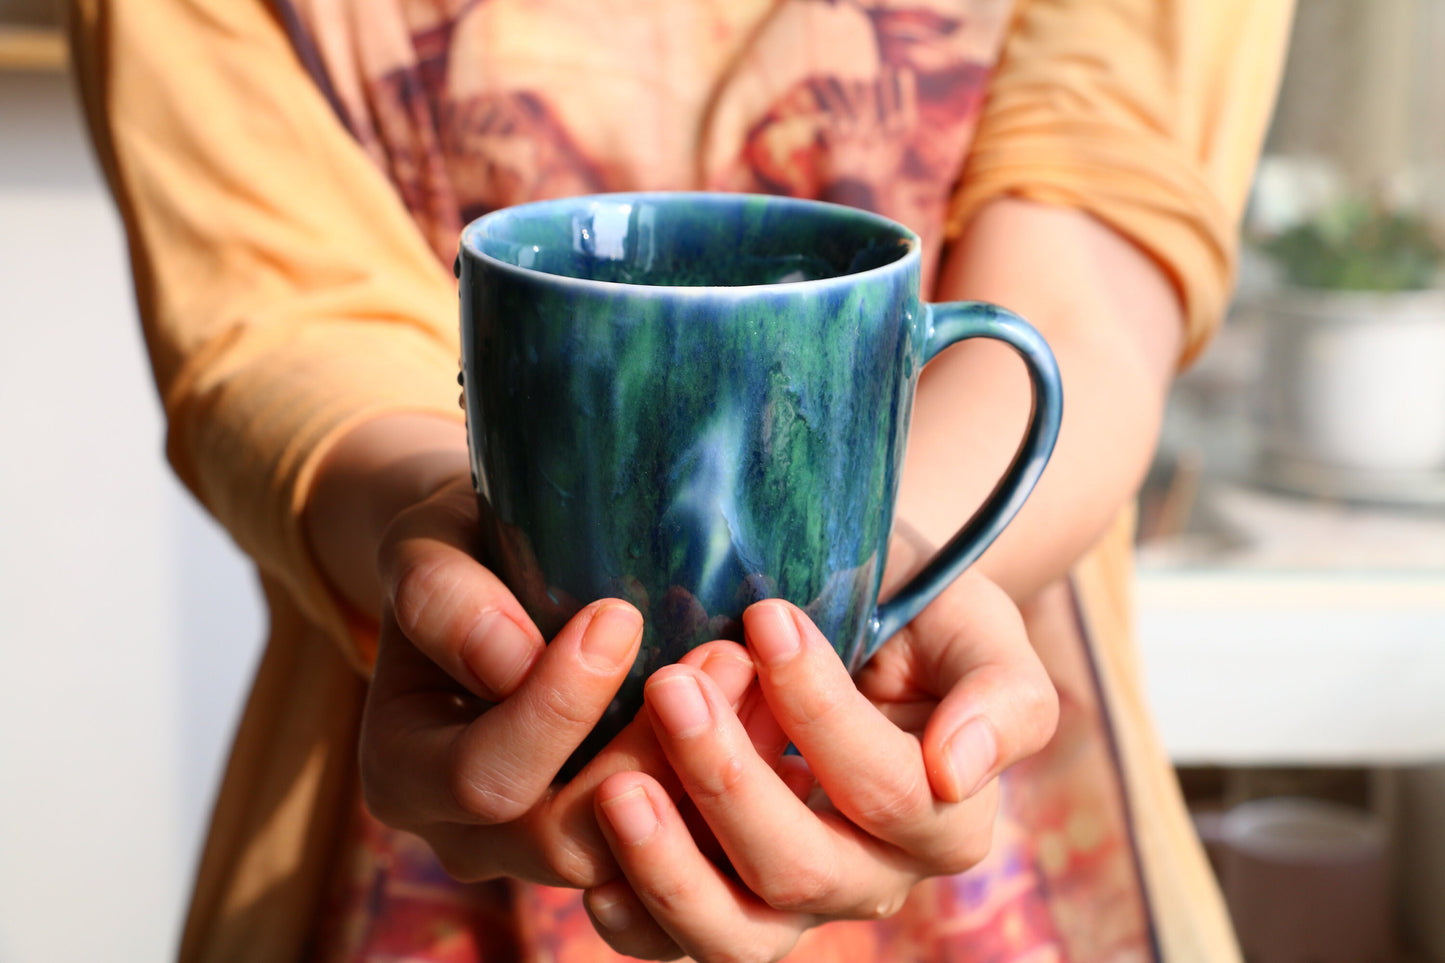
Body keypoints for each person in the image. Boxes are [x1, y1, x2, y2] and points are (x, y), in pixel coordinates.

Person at [68, 0, 1295, 960]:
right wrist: (437, 560)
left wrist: (890, 580)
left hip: (946, 762)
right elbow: (279, 325)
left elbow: (1079, 297)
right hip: (432, 781)